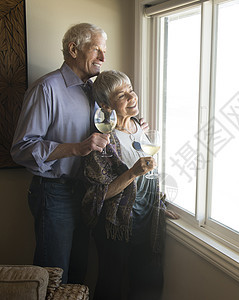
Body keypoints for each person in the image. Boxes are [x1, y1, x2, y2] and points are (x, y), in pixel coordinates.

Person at [11, 23, 110, 284]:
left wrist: (133, 125)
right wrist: (77, 148)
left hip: (87, 193)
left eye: (104, 51)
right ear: (73, 49)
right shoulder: (46, 89)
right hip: (54, 194)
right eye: (97, 49)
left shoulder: (95, 92)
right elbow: (21, 149)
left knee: (79, 273)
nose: (103, 57)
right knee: (54, 276)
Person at [83, 70, 178, 300]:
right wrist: (133, 172)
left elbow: (148, 175)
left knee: (149, 284)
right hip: (117, 225)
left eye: (131, 91)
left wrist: (160, 204)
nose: (131, 97)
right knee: (111, 287)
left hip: (147, 221)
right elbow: (97, 193)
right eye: (121, 95)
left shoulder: (138, 126)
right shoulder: (104, 138)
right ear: (106, 105)